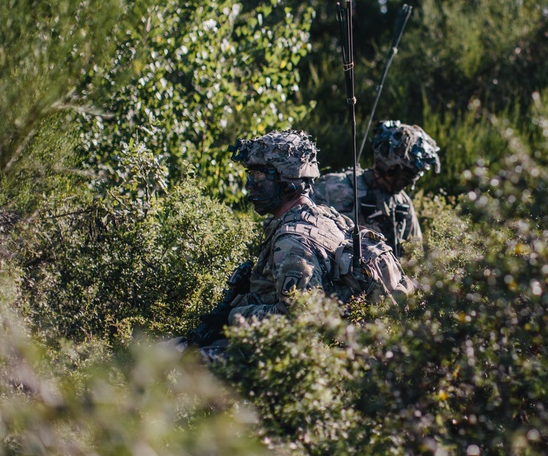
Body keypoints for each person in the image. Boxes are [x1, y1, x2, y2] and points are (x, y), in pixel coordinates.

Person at [182, 129, 412, 358]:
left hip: (319, 361)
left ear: (287, 181)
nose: (250, 184)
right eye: (250, 175)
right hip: (350, 348)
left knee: (189, 364)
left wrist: (236, 315)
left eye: (259, 176)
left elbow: (299, 322)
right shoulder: (326, 216)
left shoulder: (293, 242)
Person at [313, 120, 440, 257]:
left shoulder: (402, 204)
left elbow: (415, 256)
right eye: (408, 174)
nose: (410, 182)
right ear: (391, 168)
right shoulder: (334, 188)